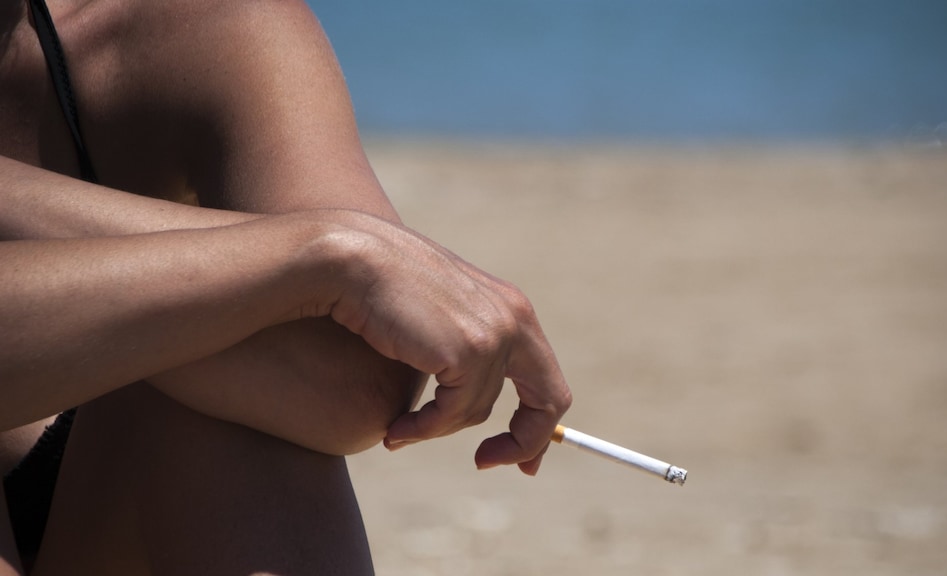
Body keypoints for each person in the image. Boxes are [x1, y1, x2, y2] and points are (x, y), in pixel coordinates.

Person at [0, 0, 571, 574]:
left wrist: (332, 254)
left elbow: (361, 382)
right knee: (238, 327)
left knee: (238, 385)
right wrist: (305, 263)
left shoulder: (187, 24)